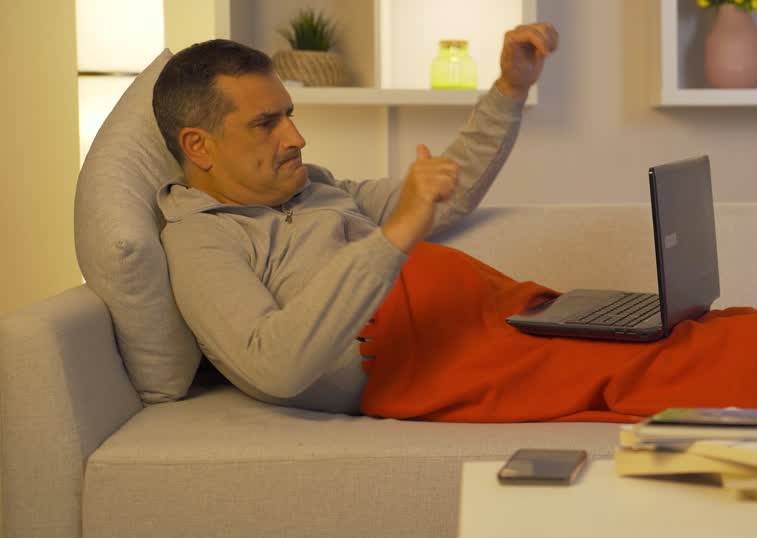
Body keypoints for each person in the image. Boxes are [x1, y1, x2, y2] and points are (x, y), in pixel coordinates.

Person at [154, 23, 558, 413]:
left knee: (610, 328)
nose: (296, 138)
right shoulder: (201, 239)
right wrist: (395, 236)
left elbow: (443, 194)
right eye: (265, 123)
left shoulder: (317, 187)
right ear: (198, 146)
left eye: (289, 115)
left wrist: (511, 88)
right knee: (615, 370)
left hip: (491, 314)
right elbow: (273, 366)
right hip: (427, 357)